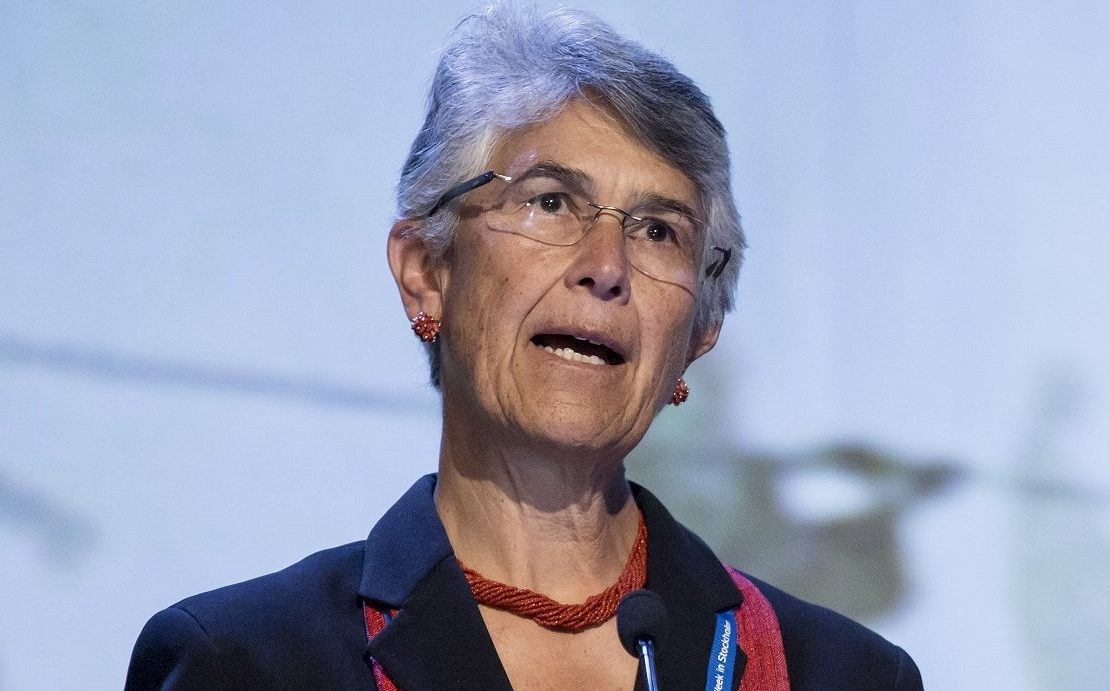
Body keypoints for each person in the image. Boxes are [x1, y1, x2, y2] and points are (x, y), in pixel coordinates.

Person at [125, 3, 923, 689]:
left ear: (699, 335)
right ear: (426, 271)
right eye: (550, 201)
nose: (607, 267)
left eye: (658, 230)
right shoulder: (245, 660)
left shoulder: (843, 674)